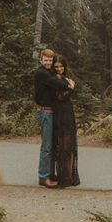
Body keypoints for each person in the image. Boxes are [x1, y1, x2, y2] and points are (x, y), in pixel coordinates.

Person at [34, 48, 74, 188]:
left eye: (50, 61)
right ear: (41, 60)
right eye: (45, 60)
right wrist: (69, 84)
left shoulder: (48, 72)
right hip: (45, 112)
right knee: (46, 146)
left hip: (50, 112)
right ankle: (43, 177)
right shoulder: (42, 73)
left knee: (50, 146)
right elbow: (60, 84)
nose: (48, 63)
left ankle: (49, 174)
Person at [50, 55, 80, 188]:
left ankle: (68, 176)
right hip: (61, 114)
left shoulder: (63, 78)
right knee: (63, 145)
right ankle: (64, 177)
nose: (58, 69)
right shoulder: (56, 79)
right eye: (56, 67)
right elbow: (60, 97)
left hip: (67, 112)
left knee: (67, 145)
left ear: (65, 66)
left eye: (61, 66)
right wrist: (71, 88)